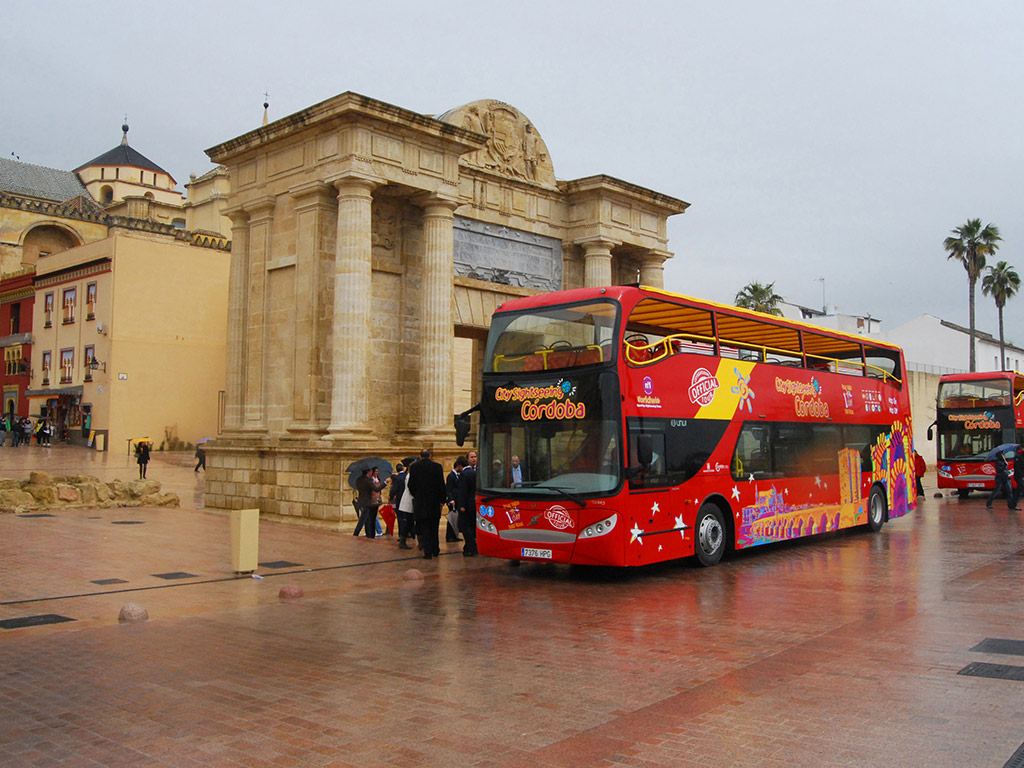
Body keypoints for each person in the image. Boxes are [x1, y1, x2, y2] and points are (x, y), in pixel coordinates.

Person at [407, 448, 446, 559]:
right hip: (434, 502)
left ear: (420, 456)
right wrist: (442, 500)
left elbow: (411, 485)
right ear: (430, 456)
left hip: (421, 503)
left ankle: (427, 552)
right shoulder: (437, 467)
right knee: (434, 527)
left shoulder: (414, 467)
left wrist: (417, 496)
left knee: (425, 528)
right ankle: (435, 549)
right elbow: (441, 484)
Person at [456, 453, 478, 556]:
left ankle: (471, 547)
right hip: (474, 504)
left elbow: (463, 491)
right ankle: (469, 547)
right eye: (472, 457)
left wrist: (461, 505)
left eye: (475, 457)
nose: (474, 459)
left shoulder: (465, 474)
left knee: (465, 526)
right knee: (472, 526)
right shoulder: (475, 472)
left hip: (467, 505)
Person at [353, 467, 379, 538]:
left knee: (367, 519)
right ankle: (356, 533)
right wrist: (385, 483)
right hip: (367, 502)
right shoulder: (368, 480)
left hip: (361, 501)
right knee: (363, 519)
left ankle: (369, 534)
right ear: (368, 472)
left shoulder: (358, 480)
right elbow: (376, 489)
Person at [396, 460, 417, 550]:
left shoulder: (409, 475)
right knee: (408, 522)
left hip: (408, 501)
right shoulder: (410, 476)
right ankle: (403, 541)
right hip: (409, 501)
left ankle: (404, 539)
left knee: (408, 522)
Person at [444, 457, 464, 542]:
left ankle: (454, 535)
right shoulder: (451, 476)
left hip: (457, 500)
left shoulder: (456, 476)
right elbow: (449, 489)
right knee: (451, 518)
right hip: (453, 500)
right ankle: (450, 536)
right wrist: (451, 499)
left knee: (455, 518)